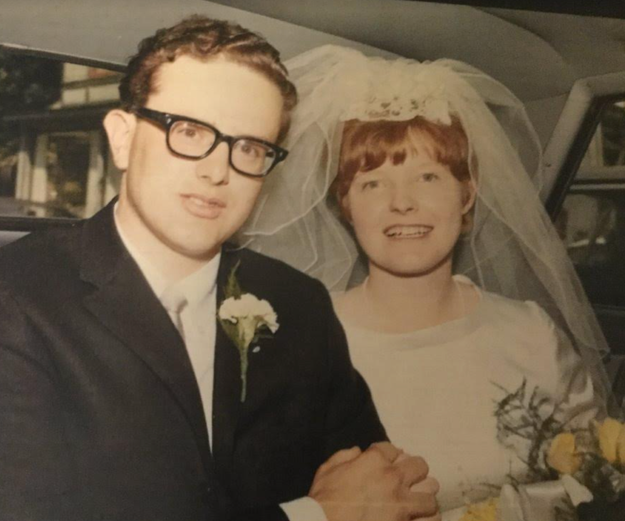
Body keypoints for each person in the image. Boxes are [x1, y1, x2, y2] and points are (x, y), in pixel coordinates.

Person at [0, 18, 440, 521]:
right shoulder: (1, 301)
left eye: (249, 147)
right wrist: (312, 516)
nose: (217, 171)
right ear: (122, 138)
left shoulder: (298, 302)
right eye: (188, 131)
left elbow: (386, 492)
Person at [241, 45, 616, 519]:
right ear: (345, 206)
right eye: (372, 183)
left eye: (428, 177)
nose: (403, 203)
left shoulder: (532, 333)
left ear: (467, 195)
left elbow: (597, 485)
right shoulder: (298, 345)